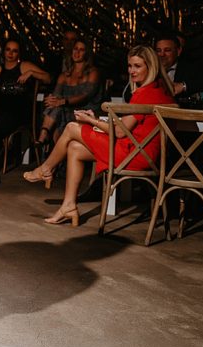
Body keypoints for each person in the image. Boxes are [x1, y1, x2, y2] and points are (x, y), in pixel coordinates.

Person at [23, 45, 175, 226]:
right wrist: (95, 120)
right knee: (74, 148)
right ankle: (69, 206)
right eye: (129, 66)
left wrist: (91, 121)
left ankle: (45, 169)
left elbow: (120, 131)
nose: (131, 71)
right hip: (143, 153)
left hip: (135, 154)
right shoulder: (160, 89)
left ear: (151, 67)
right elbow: (128, 128)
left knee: (72, 127)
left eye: (137, 66)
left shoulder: (145, 93)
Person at [0, 39, 51, 169]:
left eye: (14, 51)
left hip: (18, 110)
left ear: (19, 53)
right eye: (8, 49)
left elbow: (48, 78)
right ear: (3, 51)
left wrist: (31, 73)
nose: (10, 53)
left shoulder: (25, 66)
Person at [37, 36, 101, 148]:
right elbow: (57, 95)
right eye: (75, 49)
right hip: (65, 110)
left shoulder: (93, 72)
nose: (77, 52)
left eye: (81, 50)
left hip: (85, 111)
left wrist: (63, 101)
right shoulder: (64, 75)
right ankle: (43, 135)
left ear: (86, 53)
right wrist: (52, 99)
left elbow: (86, 95)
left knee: (59, 109)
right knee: (55, 107)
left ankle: (43, 138)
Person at [155, 33, 203, 103]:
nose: (162, 54)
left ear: (178, 51)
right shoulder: (150, 69)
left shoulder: (190, 68)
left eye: (167, 50)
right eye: (158, 51)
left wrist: (183, 86)